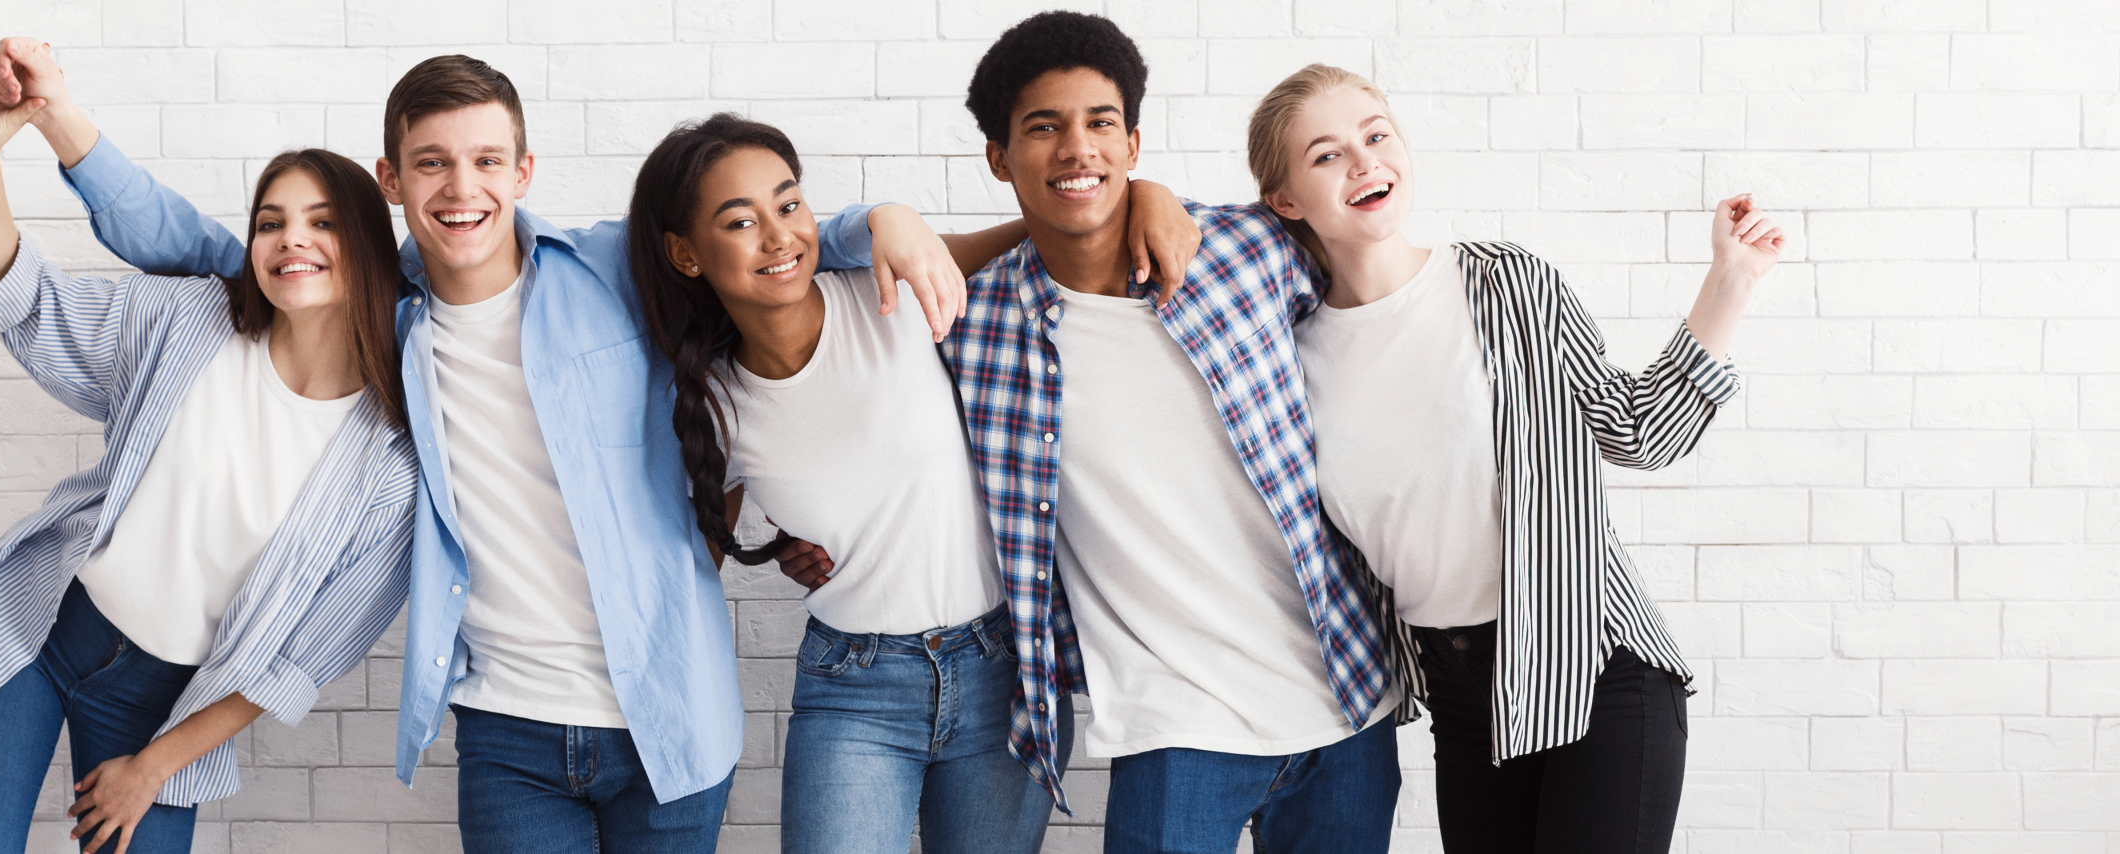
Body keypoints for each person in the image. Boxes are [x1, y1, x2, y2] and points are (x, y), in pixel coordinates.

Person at [0, 38, 995, 853]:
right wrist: (60, 121)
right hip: (508, 730)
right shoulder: (380, 308)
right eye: (432, 163)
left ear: (523, 167)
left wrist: (882, 220)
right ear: (393, 179)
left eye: (487, 160)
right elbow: (193, 243)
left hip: (674, 722)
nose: (463, 187)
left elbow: (756, 247)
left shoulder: (614, 269)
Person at [628, 113, 1196, 853]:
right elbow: (685, 579)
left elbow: (1049, 234)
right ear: (686, 253)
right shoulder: (712, 405)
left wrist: (1144, 191)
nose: (778, 237)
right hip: (854, 689)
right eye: (740, 222)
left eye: (789, 204)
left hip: (1003, 672)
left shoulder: (888, 289)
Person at [1254, 64, 1781, 854]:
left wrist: (1730, 280)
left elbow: (1640, 431)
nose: (1365, 163)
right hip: (1465, 702)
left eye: (1375, 136)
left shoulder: (1504, 284)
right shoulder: (1287, 355)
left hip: (1597, 669)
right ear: (1286, 200)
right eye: (1327, 155)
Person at [919, 12, 1408, 853]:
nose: (1079, 149)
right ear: (998, 158)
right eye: (1045, 127)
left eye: (1101, 124)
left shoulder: (1250, 249)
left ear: (1135, 144)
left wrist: (1156, 201)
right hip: (1169, 725)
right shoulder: (973, 325)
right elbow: (797, 278)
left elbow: (1379, 287)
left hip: (1342, 705)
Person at [0, 69, 418, 854]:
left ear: (367, 244)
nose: (291, 239)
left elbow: (294, 664)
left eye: (321, 221)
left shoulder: (390, 463)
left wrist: (152, 768)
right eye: (271, 222)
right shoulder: (192, 319)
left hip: (163, 714)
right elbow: (30, 305)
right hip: (40, 628)